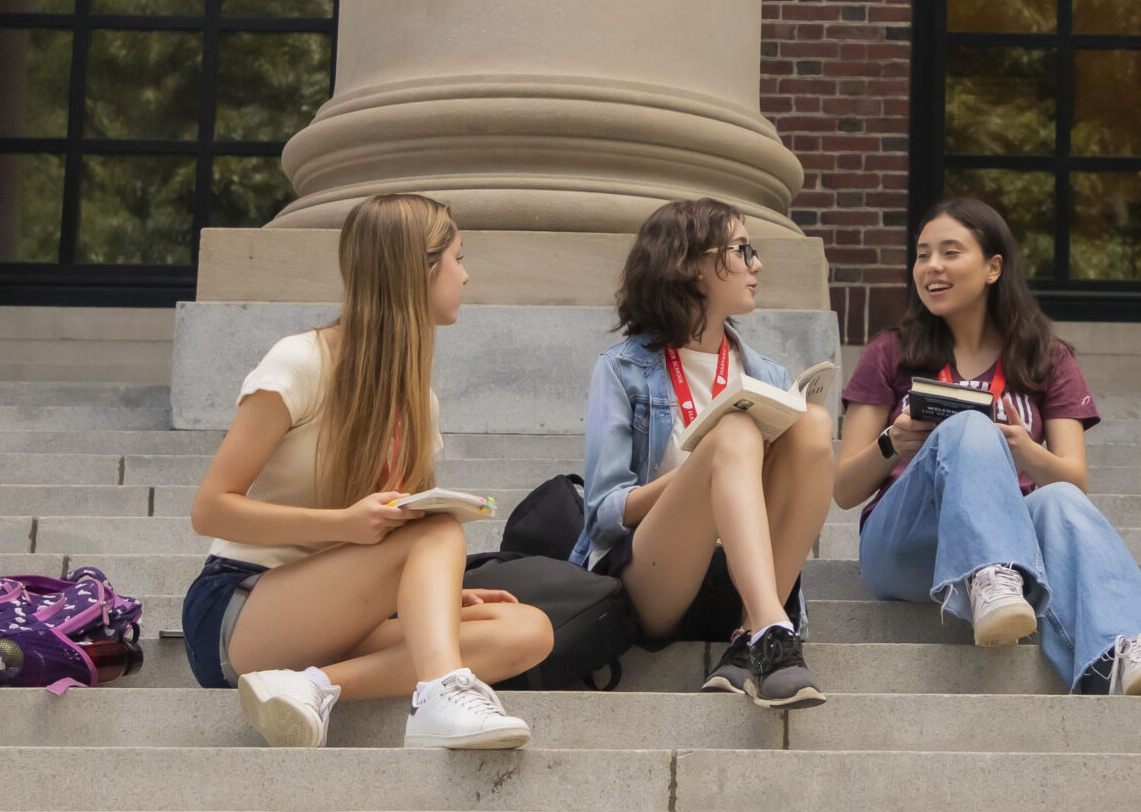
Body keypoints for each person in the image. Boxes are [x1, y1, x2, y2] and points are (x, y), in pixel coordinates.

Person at [182, 193, 555, 751]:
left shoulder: (417, 403)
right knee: (436, 528)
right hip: (239, 608)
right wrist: (342, 524)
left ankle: (310, 687)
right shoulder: (301, 361)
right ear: (419, 271)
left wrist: (436, 600)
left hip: (328, 622)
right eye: (457, 258)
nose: (466, 275)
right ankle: (438, 696)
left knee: (529, 629)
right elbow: (210, 507)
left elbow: (386, 541)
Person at [835, 197, 1141, 696]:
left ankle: (1129, 646)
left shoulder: (1046, 357)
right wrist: (892, 443)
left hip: (1016, 543)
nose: (931, 267)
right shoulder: (889, 352)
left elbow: (1075, 481)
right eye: (922, 254)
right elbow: (844, 490)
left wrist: (1024, 449)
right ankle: (989, 575)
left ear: (993, 267)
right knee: (965, 428)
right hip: (903, 548)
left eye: (950, 252)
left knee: (1061, 500)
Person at [571, 197, 834, 710]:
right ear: (690, 265)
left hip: (739, 581)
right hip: (656, 578)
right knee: (733, 432)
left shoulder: (768, 377)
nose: (757, 265)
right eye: (741, 250)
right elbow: (603, 514)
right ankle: (772, 632)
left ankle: (752, 634)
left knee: (815, 423)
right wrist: (708, 465)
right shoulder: (622, 369)